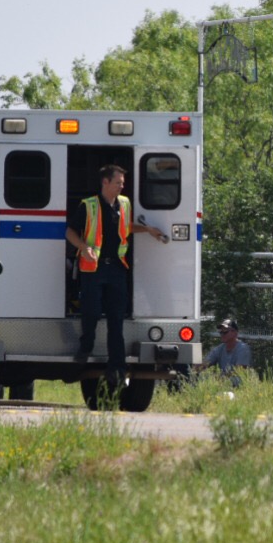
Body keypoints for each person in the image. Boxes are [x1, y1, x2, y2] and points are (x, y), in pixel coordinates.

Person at [65, 164, 166, 385]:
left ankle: (117, 368)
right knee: (91, 313)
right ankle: (86, 347)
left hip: (117, 269)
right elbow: (70, 231)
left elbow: (125, 228)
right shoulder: (89, 206)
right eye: (118, 182)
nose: (122, 186)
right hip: (93, 268)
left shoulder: (124, 203)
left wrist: (147, 230)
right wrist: (83, 247)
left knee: (116, 319)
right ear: (105, 182)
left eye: (122, 183)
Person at [200, 318, 253, 387]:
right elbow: (205, 363)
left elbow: (240, 370)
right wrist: (196, 368)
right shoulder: (220, 348)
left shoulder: (243, 348)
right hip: (222, 380)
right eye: (221, 332)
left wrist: (218, 378)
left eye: (225, 332)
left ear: (235, 333)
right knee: (202, 376)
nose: (222, 334)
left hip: (238, 382)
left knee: (236, 379)